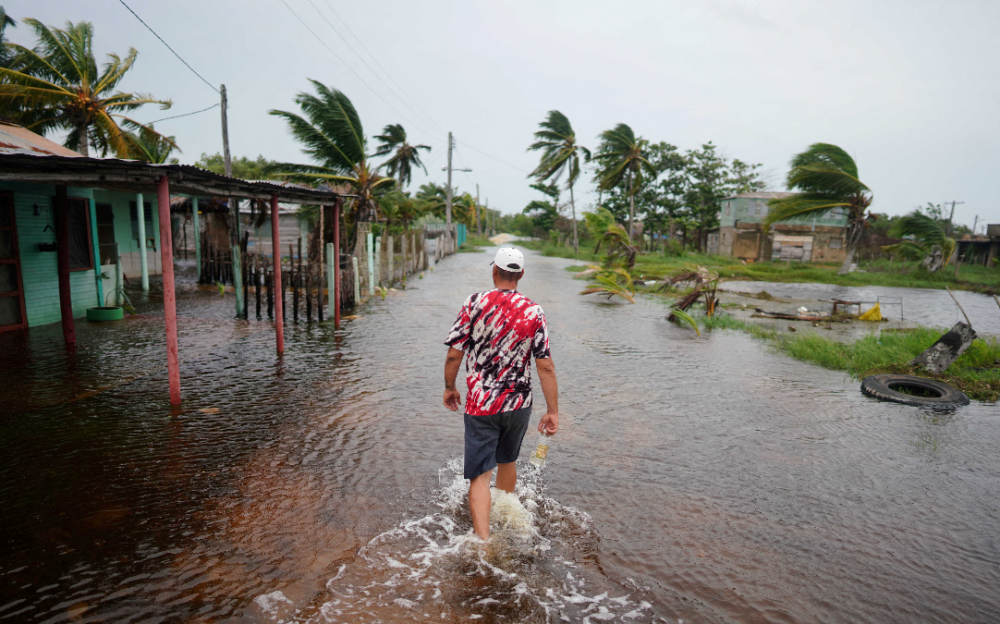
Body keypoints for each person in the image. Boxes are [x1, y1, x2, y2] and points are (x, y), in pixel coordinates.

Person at [443, 247, 559, 540]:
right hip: (519, 402)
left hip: (482, 403)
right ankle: (505, 520)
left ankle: (483, 543)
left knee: (480, 475)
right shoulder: (534, 311)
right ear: (521, 274)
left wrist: (450, 387)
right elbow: (544, 366)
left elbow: (455, 354)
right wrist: (553, 410)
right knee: (507, 460)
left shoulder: (474, 303)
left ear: (493, 270)